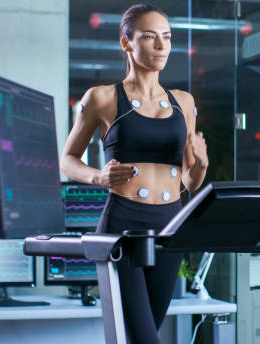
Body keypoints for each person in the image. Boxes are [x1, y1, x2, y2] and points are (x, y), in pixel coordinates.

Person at [59, 3, 208, 343]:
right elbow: (67, 159)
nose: (162, 46)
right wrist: (97, 176)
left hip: (170, 227)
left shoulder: (183, 102)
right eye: (150, 37)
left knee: (143, 334)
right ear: (127, 43)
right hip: (124, 224)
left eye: (167, 38)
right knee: (144, 338)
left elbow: (187, 183)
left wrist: (199, 167)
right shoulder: (102, 98)